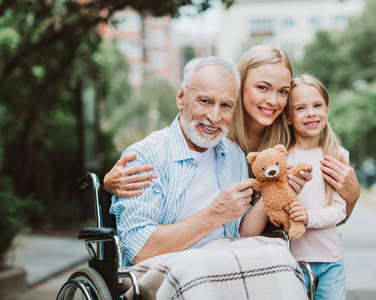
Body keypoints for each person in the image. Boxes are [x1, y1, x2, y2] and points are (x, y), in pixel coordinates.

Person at [110, 56, 308, 299]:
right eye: (205, 101)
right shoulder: (145, 155)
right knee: (198, 271)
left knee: (278, 254)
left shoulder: (233, 154)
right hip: (172, 268)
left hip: (225, 261)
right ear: (181, 97)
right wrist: (214, 214)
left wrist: (275, 190)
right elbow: (141, 250)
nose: (215, 117)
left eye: (226, 106)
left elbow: (241, 235)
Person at [105, 45, 360, 223]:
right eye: (262, 87)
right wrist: (108, 185)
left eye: (283, 92)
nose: (273, 101)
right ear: (238, 87)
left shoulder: (291, 141)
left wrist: (352, 197)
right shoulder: (212, 133)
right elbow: (172, 168)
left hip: (275, 242)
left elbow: (328, 217)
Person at [285, 74, 348, 299]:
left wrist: (308, 217)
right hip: (291, 262)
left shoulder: (337, 155)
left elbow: (341, 210)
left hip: (330, 261)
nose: (311, 113)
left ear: (327, 110)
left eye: (317, 105)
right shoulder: (282, 157)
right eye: (300, 108)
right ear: (288, 117)